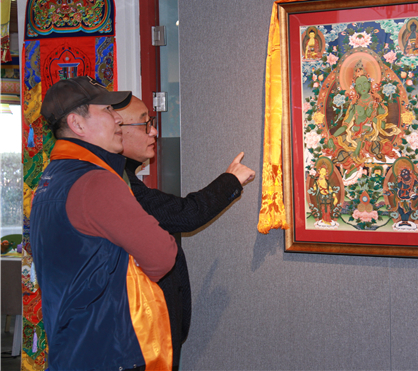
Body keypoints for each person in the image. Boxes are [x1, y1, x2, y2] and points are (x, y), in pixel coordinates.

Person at [30, 76, 177, 371]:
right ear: (77, 123)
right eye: (108, 111)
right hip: (110, 349)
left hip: (72, 347)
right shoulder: (95, 182)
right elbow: (161, 255)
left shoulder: (49, 180)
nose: (118, 120)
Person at [116, 95, 255, 370]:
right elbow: (185, 214)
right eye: (145, 124)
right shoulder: (117, 185)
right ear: (116, 129)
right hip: (141, 338)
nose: (154, 131)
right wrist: (231, 180)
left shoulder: (125, 177)